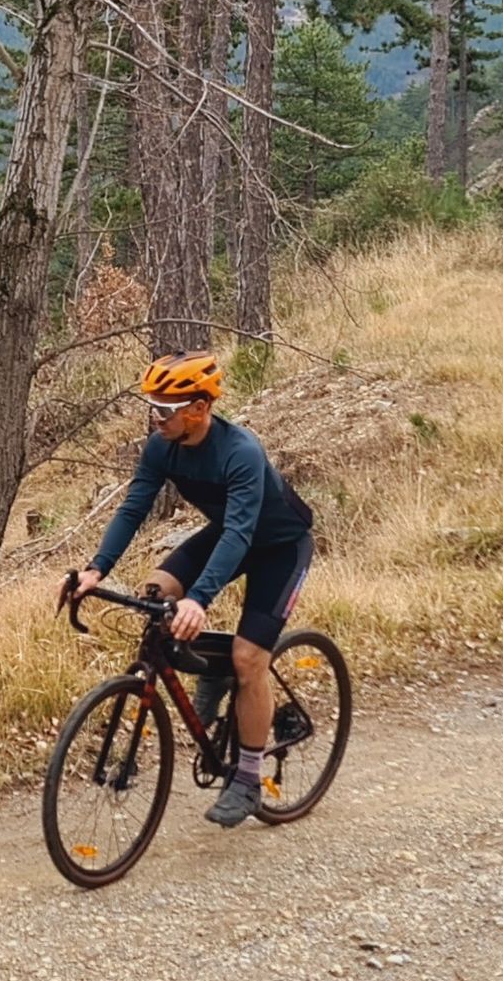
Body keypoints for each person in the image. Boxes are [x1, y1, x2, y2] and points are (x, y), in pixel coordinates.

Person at [68, 351, 315, 828]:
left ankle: (246, 776)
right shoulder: (162, 446)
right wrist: (96, 569)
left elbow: (241, 534)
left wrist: (200, 599)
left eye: (165, 409)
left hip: (279, 547)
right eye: (152, 406)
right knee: (156, 593)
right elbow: (133, 509)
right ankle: (211, 672)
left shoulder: (240, 451)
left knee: (248, 658)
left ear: (199, 408)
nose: (155, 417)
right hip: (228, 535)